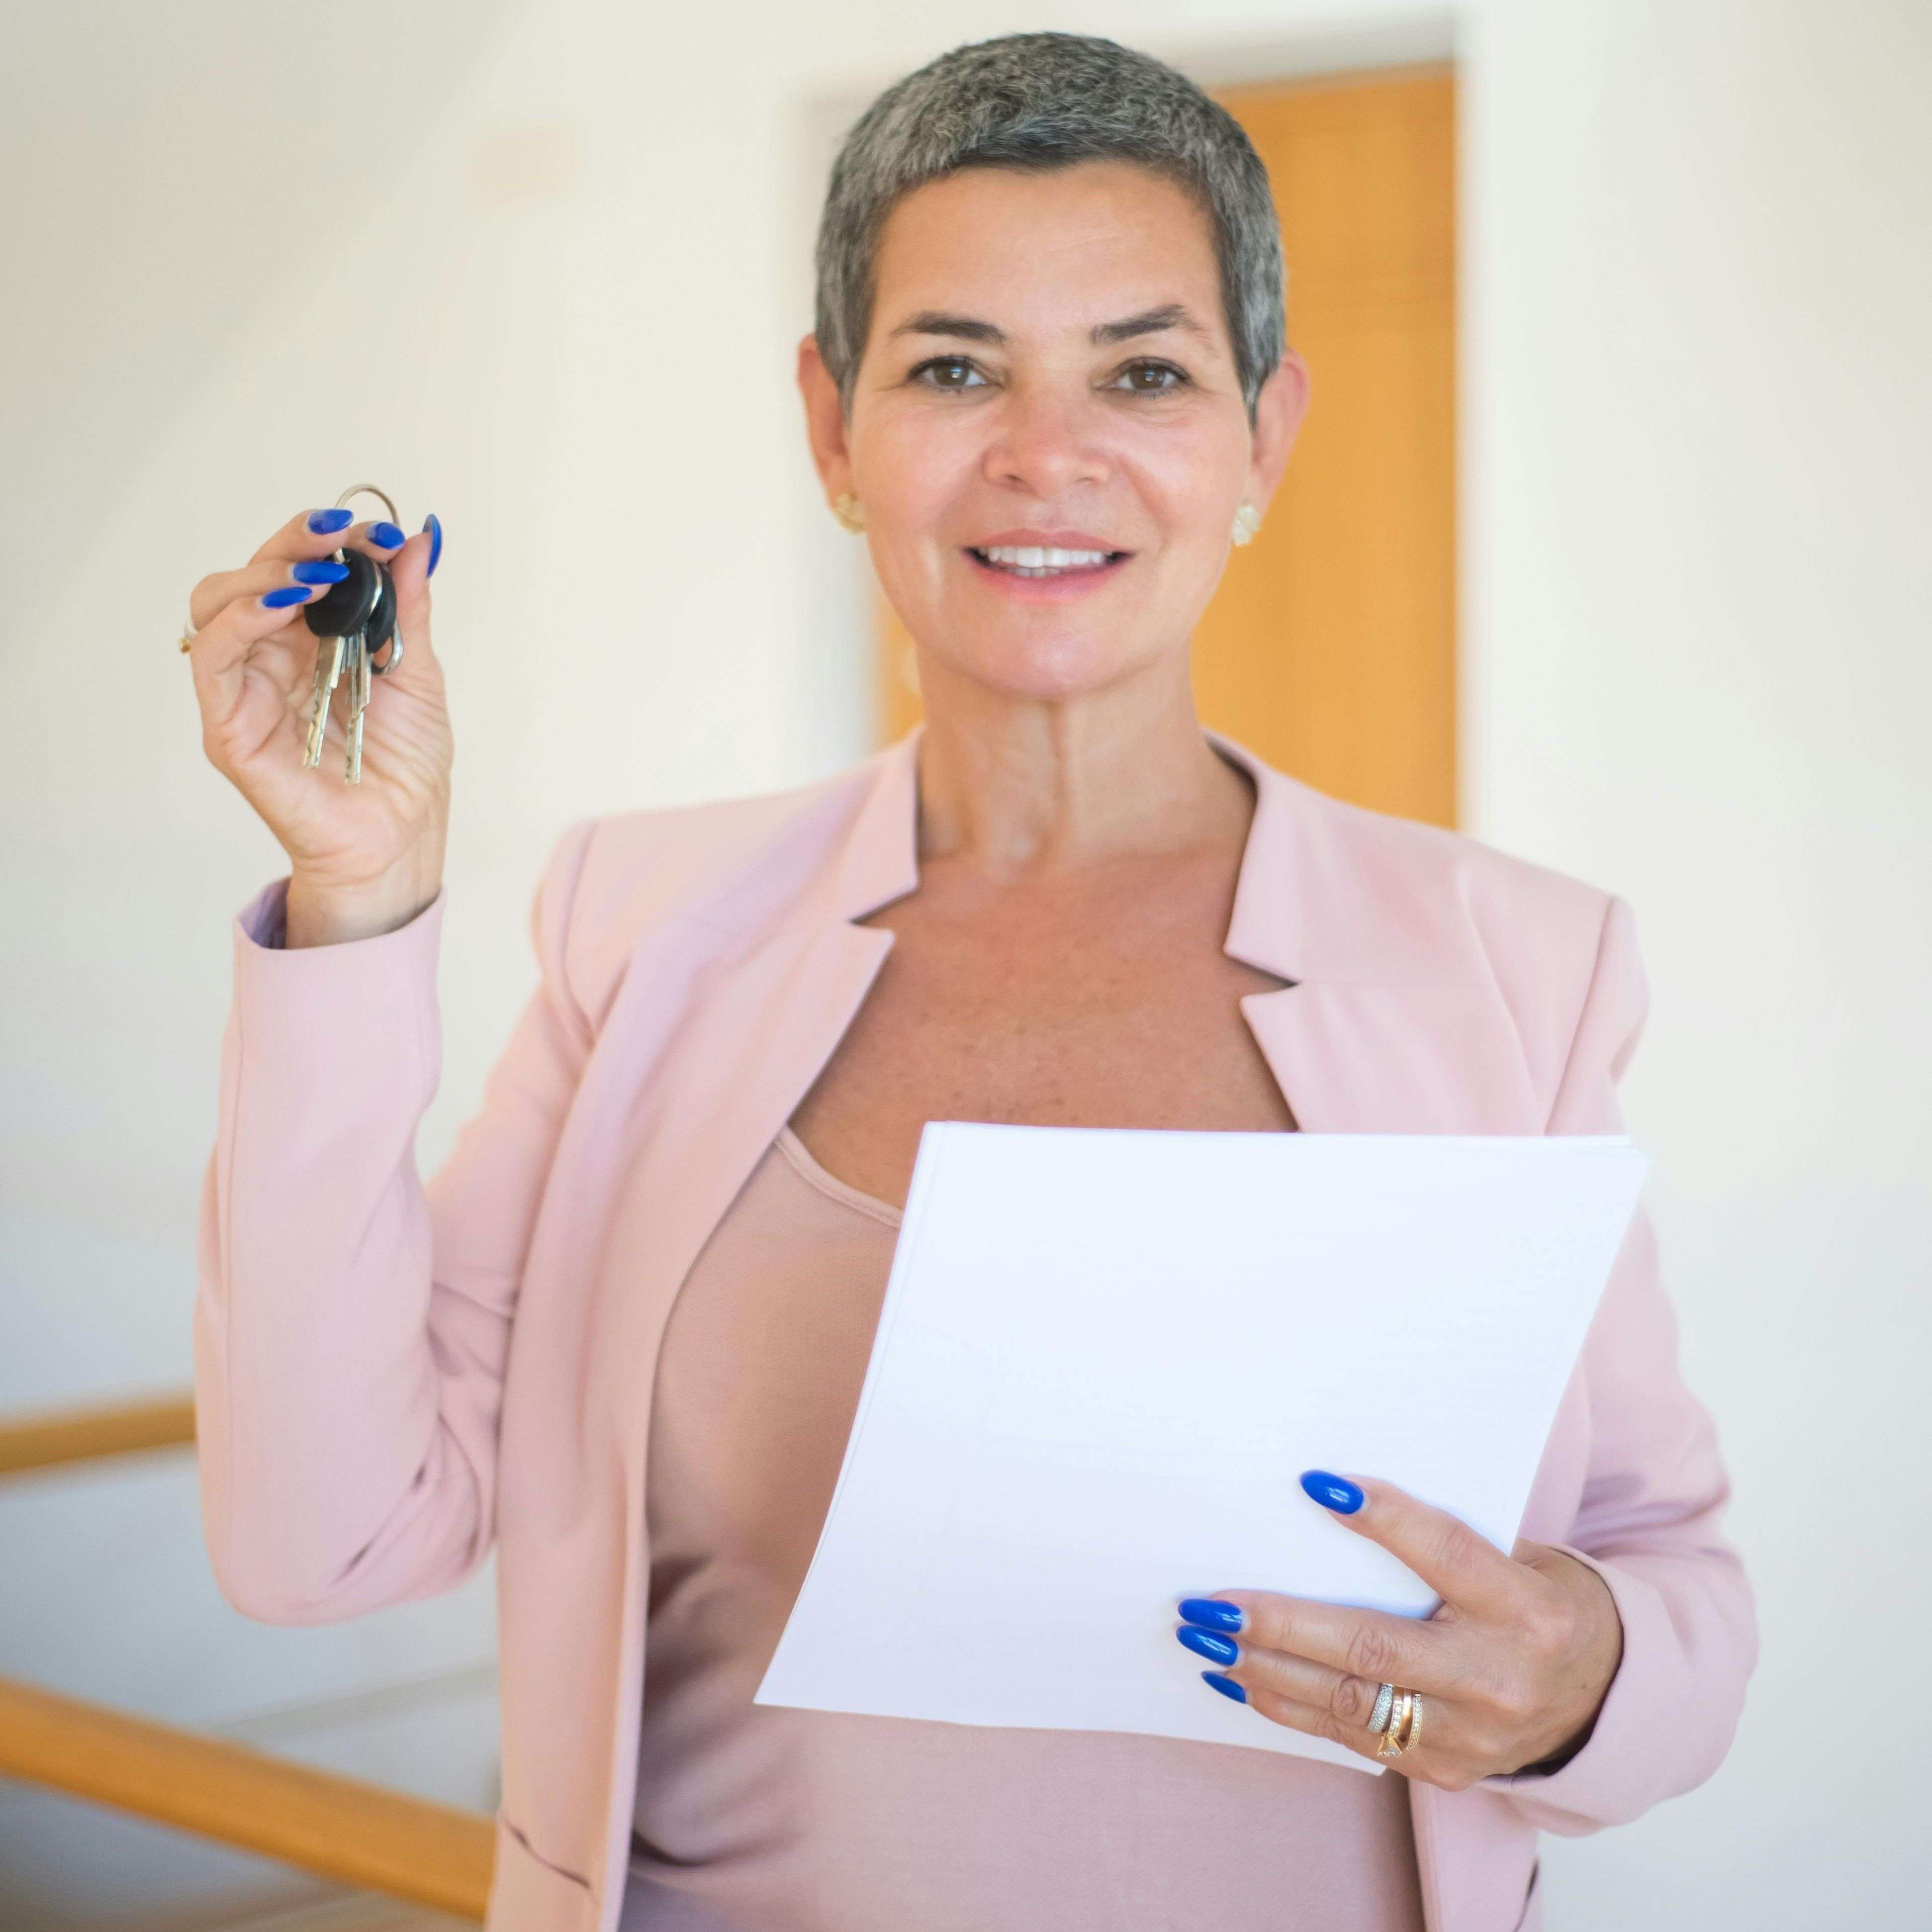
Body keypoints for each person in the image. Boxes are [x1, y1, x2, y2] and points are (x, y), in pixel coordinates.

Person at [183, 32, 1753, 1932]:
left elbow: (1673, 1587)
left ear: (1261, 437)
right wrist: (355, 902)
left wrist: (1576, 1671)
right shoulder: (641, 922)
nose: (1045, 454)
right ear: (832, 431)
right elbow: (319, 1537)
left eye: (1145, 371)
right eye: (951, 368)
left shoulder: (1514, 963)